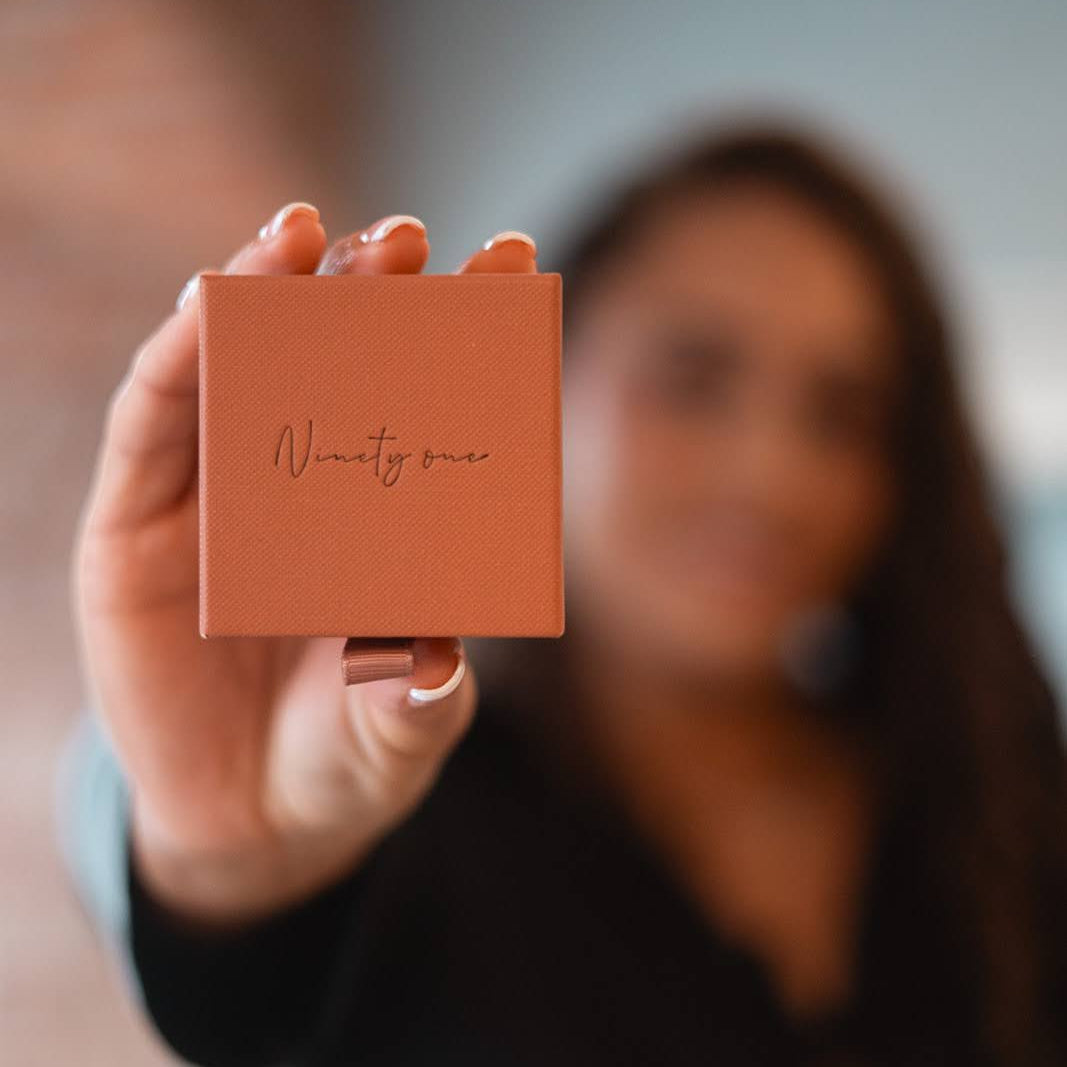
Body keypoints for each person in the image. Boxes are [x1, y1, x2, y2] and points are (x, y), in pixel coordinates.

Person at [62, 120, 1067, 1067]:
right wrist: (221, 865)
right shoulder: (392, 789)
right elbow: (212, 945)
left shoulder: (987, 785)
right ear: (536, 380)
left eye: (843, 413)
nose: (770, 475)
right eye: (691, 376)